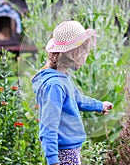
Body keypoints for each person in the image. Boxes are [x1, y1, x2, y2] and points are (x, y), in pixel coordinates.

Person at [32, 21, 113, 165]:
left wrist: (99, 105)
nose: (86, 56)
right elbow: (48, 126)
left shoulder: (62, 77)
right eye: (85, 53)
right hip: (63, 154)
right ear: (73, 54)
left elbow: (77, 99)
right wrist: (53, 160)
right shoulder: (55, 85)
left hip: (71, 150)